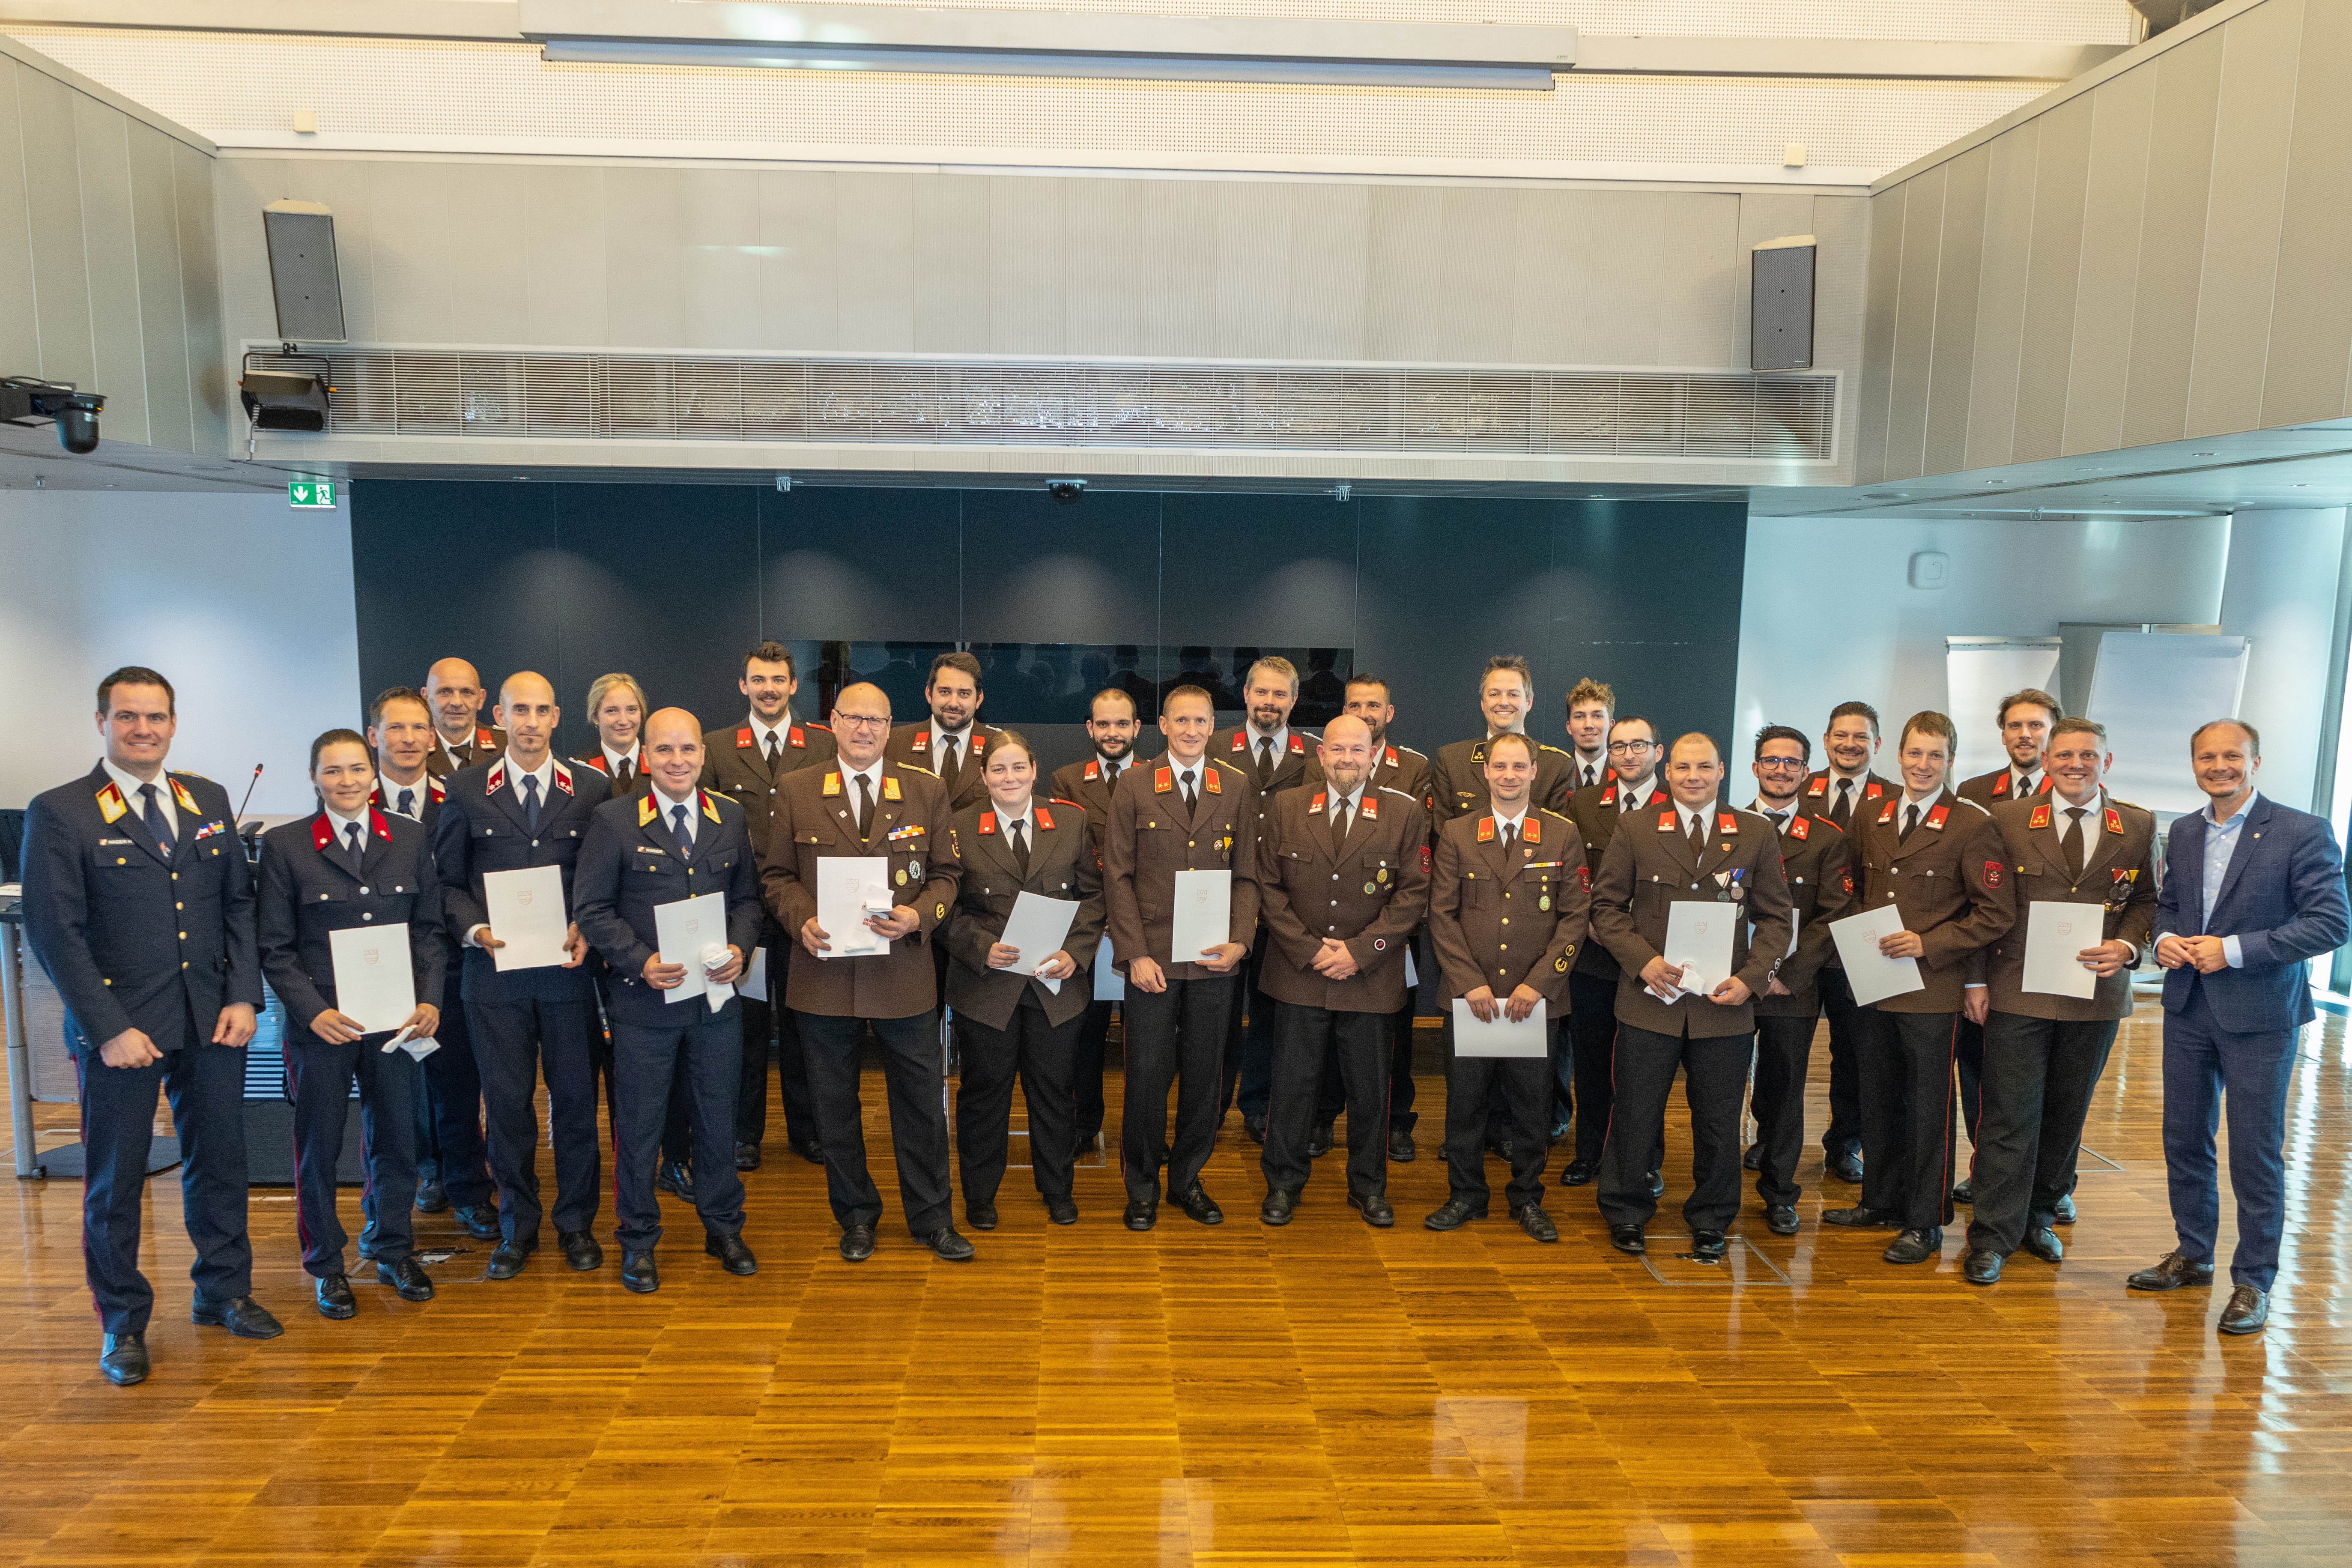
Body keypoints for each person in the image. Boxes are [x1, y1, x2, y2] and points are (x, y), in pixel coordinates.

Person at [21, 666, 280, 1386]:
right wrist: (105, 1026)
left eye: (156, 717)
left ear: (173, 722)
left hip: (213, 1022)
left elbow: (236, 906)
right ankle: (124, 1322)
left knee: (221, 1161)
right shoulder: (64, 810)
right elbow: (56, 931)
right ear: (101, 721)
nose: (144, 729)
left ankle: (224, 1289)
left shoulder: (207, 799)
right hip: (122, 1032)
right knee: (116, 1179)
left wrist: (243, 996)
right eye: (128, 716)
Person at [2132, 719, 2349, 1335]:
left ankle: (2254, 1280)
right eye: (2208, 756)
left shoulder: (2302, 831)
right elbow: (2169, 905)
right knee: (2184, 1140)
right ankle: (2193, 1253)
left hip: (2260, 1015)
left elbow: (2331, 924)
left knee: (2255, 1152)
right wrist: (2167, 938)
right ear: (2194, 763)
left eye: (2233, 755)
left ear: (2256, 761)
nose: (2220, 765)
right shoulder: (2186, 831)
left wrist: (2233, 950)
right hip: (2189, 1008)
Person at [763, 681, 971, 1262]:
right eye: (854, 718)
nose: (864, 729)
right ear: (833, 721)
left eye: (876, 720)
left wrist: (917, 914)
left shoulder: (926, 789)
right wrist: (802, 919)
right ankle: (856, 1217)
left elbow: (948, 874)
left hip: (903, 974)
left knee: (923, 1106)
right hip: (823, 973)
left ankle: (932, 1219)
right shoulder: (798, 789)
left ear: (890, 727)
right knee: (835, 1107)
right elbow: (776, 876)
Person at [257, 729, 448, 1317]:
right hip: (323, 1025)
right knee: (318, 1146)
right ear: (315, 778)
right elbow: (276, 946)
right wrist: (313, 1012)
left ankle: (392, 1245)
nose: (347, 781)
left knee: (395, 1138)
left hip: (395, 1023)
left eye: (357, 770)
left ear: (374, 773)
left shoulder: (410, 836)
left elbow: (430, 931)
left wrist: (430, 1001)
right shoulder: (286, 846)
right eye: (333, 771)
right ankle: (326, 1265)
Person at [571, 709, 763, 1293]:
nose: (677, 760)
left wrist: (740, 947)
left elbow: (749, 901)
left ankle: (723, 1226)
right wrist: (640, 961)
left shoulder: (728, 816)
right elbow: (592, 910)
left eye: (687, 750)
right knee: (640, 1125)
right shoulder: (614, 820)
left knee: (715, 1118)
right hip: (643, 1007)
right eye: (665, 750)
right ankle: (637, 1238)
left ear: (703, 756)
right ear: (646, 756)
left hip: (714, 1004)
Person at [1958, 717, 2154, 1285]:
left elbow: (2147, 899)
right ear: (2046, 762)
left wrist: (2127, 944)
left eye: (2088, 756)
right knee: (2007, 1114)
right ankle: (1993, 1234)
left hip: (2095, 995)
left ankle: (2040, 1217)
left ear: (2106, 763)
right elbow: (1981, 905)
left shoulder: (2138, 824)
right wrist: (1975, 979)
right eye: (2064, 755)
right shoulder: (2008, 819)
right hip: (2017, 990)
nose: (2076, 764)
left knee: (2066, 1115)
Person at [1588, 733, 1793, 1260]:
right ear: (1667, 770)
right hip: (1647, 1001)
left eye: (1704, 767)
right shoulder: (1635, 826)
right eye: (1682, 767)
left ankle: (1710, 1218)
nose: (1693, 776)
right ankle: (1627, 1211)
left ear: (1722, 770)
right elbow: (1606, 908)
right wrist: (1642, 961)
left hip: (1722, 1007)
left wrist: (1753, 976)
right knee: (1635, 1114)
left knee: (1718, 1121)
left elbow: (1775, 918)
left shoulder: (1753, 831)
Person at [432, 671, 606, 1279]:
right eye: (518, 711)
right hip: (493, 975)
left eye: (540, 711)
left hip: (566, 972)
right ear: (498, 716)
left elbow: (603, 879)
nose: (530, 722)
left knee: (577, 1105)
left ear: (558, 716)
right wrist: (473, 928)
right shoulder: (466, 787)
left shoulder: (591, 787)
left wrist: (588, 924)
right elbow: (448, 884)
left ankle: (577, 1224)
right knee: (506, 1107)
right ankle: (518, 1227)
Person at [1823, 711, 2013, 1266]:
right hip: (1876, 982)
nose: (1923, 764)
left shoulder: (1972, 824)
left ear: (1950, 760)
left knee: (1928, 1106)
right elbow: (1856, 883)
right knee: (1876, 1094)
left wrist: (1929, 943)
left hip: (1932, 987)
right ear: (1898, 756)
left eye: (1935, 755)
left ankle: (1925, 1220)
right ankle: (1880, 1200)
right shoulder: (1873, 813)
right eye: (1915, 754)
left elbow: (1995, 913)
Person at [1254, 714, 1430, 1227]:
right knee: (1290, 1087)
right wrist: (1309, 950)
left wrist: (1361, 950)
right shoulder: (1286, 807)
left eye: (1358, 750)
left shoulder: (1403, 812)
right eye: (1337, 750)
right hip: (1297, 973)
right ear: (1320, 754)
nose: (1347, 759)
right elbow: (1267, 887)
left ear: (1372, 755)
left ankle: (1368, 1187)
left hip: (1371, 977)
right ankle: (1283, 1184)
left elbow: (1414, 893)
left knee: (1372, 1091)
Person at [1102, 685, 1257, 1230]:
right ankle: (1141, 1185)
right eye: (1180, 721)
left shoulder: (1235, 785)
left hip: (1214, 960)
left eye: (1200, 721)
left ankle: (1187, 1179)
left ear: (1213, 725)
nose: (1191, 730)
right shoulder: (1135, 784)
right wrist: (1133, 954)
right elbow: (1116, 876)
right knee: (1145, 1076)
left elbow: (1248, 874)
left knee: (1205, 1077)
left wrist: (1240, 940)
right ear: (1162, 726)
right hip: (1153, 962)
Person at [1424, 732, 1588, 1242]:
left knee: (1530, 1107)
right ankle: (1465, 1195)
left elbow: (1574, 919)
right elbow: (1441, 915)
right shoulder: (1456, 832)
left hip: (1533, 1003)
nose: (1509, 775)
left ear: (1534, 772)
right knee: (1465, 1104)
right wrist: (1467, 982)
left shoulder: (1561, 835)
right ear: (1487, 773)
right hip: (1470, 999)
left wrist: (1538, 985)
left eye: (1519, 766)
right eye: (1501, 767)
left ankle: (1526, 1198)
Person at [945, 732, 1106, 1228]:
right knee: (983, 1092)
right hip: (986, 986)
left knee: (1054, 1090)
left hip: (1054, 986)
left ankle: (1057, 1188)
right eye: (998, 769)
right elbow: (944, 903)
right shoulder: (958, 825)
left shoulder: (1072, 821)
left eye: (1018, 768)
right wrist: (979, 947)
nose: (1009, 778)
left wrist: (1074, 953)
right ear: (983, 775)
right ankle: (979, 1196)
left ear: (1035, 770)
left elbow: (1094, 896)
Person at [701, 639, 837, 1173]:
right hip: (744, 914)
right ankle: (743, 1134)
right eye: (759, 680)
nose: (769, 689)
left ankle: (809, 1132)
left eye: (778, 680)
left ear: (793, 685)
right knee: (747, 1029)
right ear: (744, 685)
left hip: (805, 911)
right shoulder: (714, 747)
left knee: (807, 1026)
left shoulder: (822, 746)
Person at [1303, 672, 1433, 1162]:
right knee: (1328, 1030)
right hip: (1325, 932)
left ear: (1389, 713)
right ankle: (1322, 1116)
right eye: (1354, 704)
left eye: (1373, 705)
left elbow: (1416, 854)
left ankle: (1395, 1122)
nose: (1363, 712)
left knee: (1390, 1037)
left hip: (1387, 935)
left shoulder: (1415, 768)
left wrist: (1366, 947)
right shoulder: (1317, 765)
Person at [1949, 686, 2060, 1202]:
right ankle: (1985, 1168)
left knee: (2056, 1084)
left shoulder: (2077, 789)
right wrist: (1972, 973)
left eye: (2035, 725)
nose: (2025, 734)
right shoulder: (1972, 791)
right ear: (2001, 734)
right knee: (1978, 1072)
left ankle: (2048, 1184)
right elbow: (1965, 893)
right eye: (2015, 726)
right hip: (1986, 959)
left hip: (2055, 963)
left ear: (2051, 732)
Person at [1742, 726, 1854, 1235]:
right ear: (1754, 767)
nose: (1780, 769)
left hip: (1793, 985)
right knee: (1725, 1086)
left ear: (1805, 772)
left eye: (1791, 762)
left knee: (1786, 1085)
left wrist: (1788, 975)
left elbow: (1833, 914)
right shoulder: (1729, 826)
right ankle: (1724, 1179)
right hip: (1731, 983)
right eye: (1771, 760)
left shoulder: (1828, 837)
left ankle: (1779, 1192)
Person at [1559, 715, 1671, 1189]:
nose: (1628, 754)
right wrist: (1587, 920)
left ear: (1657, 752)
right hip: (1594, 956)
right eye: (1618, 746)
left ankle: (1645, 1158)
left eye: (1638, 745)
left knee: (1646, 1067)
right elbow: (1569, 871)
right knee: (1589, 1061)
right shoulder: (1583, 804)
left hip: (1653, 960)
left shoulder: (1678, 804)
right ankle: (1588, 1152)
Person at [1051, 685, 1152, 1162]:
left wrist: (1127, 918)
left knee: (1145, 1044)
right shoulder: (1065, 780)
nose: (1112, 733)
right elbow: (1064, 859)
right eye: (1102, 724)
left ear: (1137, 728)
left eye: (1122, 724)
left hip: (1144, 931)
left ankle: (1144, 1134)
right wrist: (1103, 916)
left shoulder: (1159, 778)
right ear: (1090, 729)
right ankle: (1082, 1123)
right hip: (1088, 929)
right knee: (1082, 1037)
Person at [1222, 655, 1320, 1139]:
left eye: (1280, 694)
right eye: (1261, 692)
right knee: (1216, 1019)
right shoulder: (1216, 747)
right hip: (1221, 908)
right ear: (1245, 695)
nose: (1269, 702)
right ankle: (1210, 1108)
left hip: (1287, 911)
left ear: (1294, 700)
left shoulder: (1317, 754)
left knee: (1272, 1016)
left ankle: (1260, 1107)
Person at [1806, 700, 1898, 1185]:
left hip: (1864, 948)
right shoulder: (1797, 788)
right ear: (1825, 741)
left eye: (1860, 737)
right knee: (1786, 1049)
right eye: (1840, 735)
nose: (1849, 744)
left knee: (1856, 1055)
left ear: (1876, 744)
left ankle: (1845, 1144)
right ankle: (1768, 1137)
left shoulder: (1898, 797)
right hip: (1804, 945)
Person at [1427, 655, 1574, 827]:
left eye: (1513, 694)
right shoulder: (1452, 761)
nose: (1504, 702)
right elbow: (1442, 835)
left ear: (1529, 701)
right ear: (1483, 703)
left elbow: (1559, 838)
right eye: (1495, 694)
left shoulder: (1556, 767)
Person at [885, 650, 1003, 814]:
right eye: (945, 692)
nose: (953, 703)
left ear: (979, 699)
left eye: (964, 694)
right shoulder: (896, 743)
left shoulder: (999, 746)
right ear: (929, 694)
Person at [421, 657, 506, 779]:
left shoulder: (508, 747)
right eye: (445, 692)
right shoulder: (412, 748)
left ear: (481, 699)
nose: (457, 702)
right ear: (425, 697)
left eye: (467, 692)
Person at [572, 671, 648, 795]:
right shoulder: (581, 771)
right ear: (595, 716)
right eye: (612, 711)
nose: (623, 721)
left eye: (632, 710)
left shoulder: (659, 764)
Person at [1562, 678, 1615, 792]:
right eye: (1579, 717)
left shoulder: (1624, 773)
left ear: (1611, 726)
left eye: (1597, 716)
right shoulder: (1557, 774)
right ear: (1569, 727)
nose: (1588, 725)